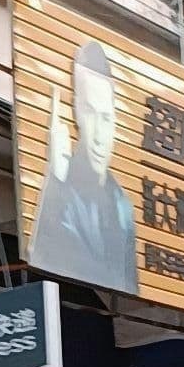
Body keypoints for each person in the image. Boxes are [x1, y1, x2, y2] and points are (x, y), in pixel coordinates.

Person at [29, 40, 137, 294]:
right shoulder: (61, 190)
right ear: (76, 113)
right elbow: (47, 257)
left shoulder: (124, 209)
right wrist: (55, 180)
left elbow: (128, 288)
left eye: (106, 118)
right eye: (90, 113)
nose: (99, 136)